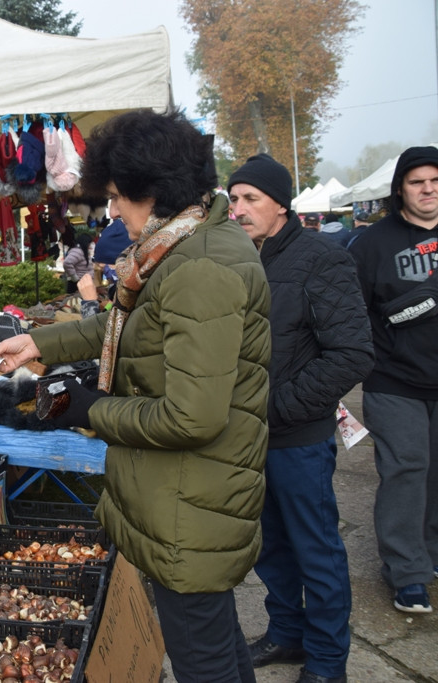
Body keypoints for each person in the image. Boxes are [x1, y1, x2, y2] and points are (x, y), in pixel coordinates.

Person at [0, 108, 271, 683]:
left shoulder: (201, 267)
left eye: (118, 197)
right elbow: (121, 325)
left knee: (203, 659)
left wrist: (88, 408)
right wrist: (35, 341)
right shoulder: (179, 250)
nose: (113, 210)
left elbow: (192, 417)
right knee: (214, 641)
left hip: (192, 500)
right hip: (185, 495)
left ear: (154, 191)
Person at [228, 153, 373, 683]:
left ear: (281, 205)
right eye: (234, 199)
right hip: (248, 436)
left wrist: (281, 407)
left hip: (299, 436)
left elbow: (353, 353)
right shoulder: (240, 258)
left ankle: (329, 660)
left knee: (317, 550)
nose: (238, 209)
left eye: (251, 200)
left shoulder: (320, 259)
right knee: (269, 544)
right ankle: (287, 632)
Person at [348, 145, 438, 615]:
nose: (427, 190)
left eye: (435, 181)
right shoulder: (372, 243)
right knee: (406, 471)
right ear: (400, 188)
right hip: (394, 381)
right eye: (417, 181)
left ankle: (431, 553)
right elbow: (351, 311)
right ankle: (407, 572)